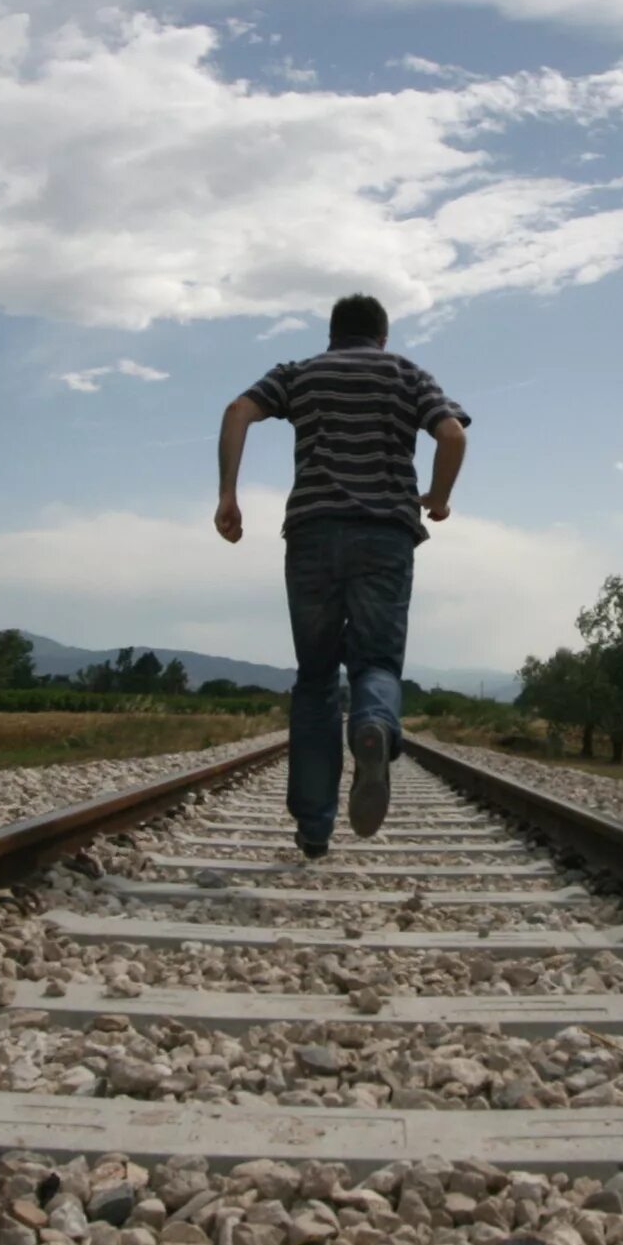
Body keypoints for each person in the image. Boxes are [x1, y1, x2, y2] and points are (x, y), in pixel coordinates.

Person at [214, 294, 469, 855]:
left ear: (332, 334)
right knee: (376, 661)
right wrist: (440, 498)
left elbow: (237, 411)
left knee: (316, 678)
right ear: (382, 335)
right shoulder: (405, 373)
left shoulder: (300, 373)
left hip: (311, 534)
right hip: (385, 535)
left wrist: (228, 495)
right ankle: (372, 725)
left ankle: (313, 826)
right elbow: (451, 434)